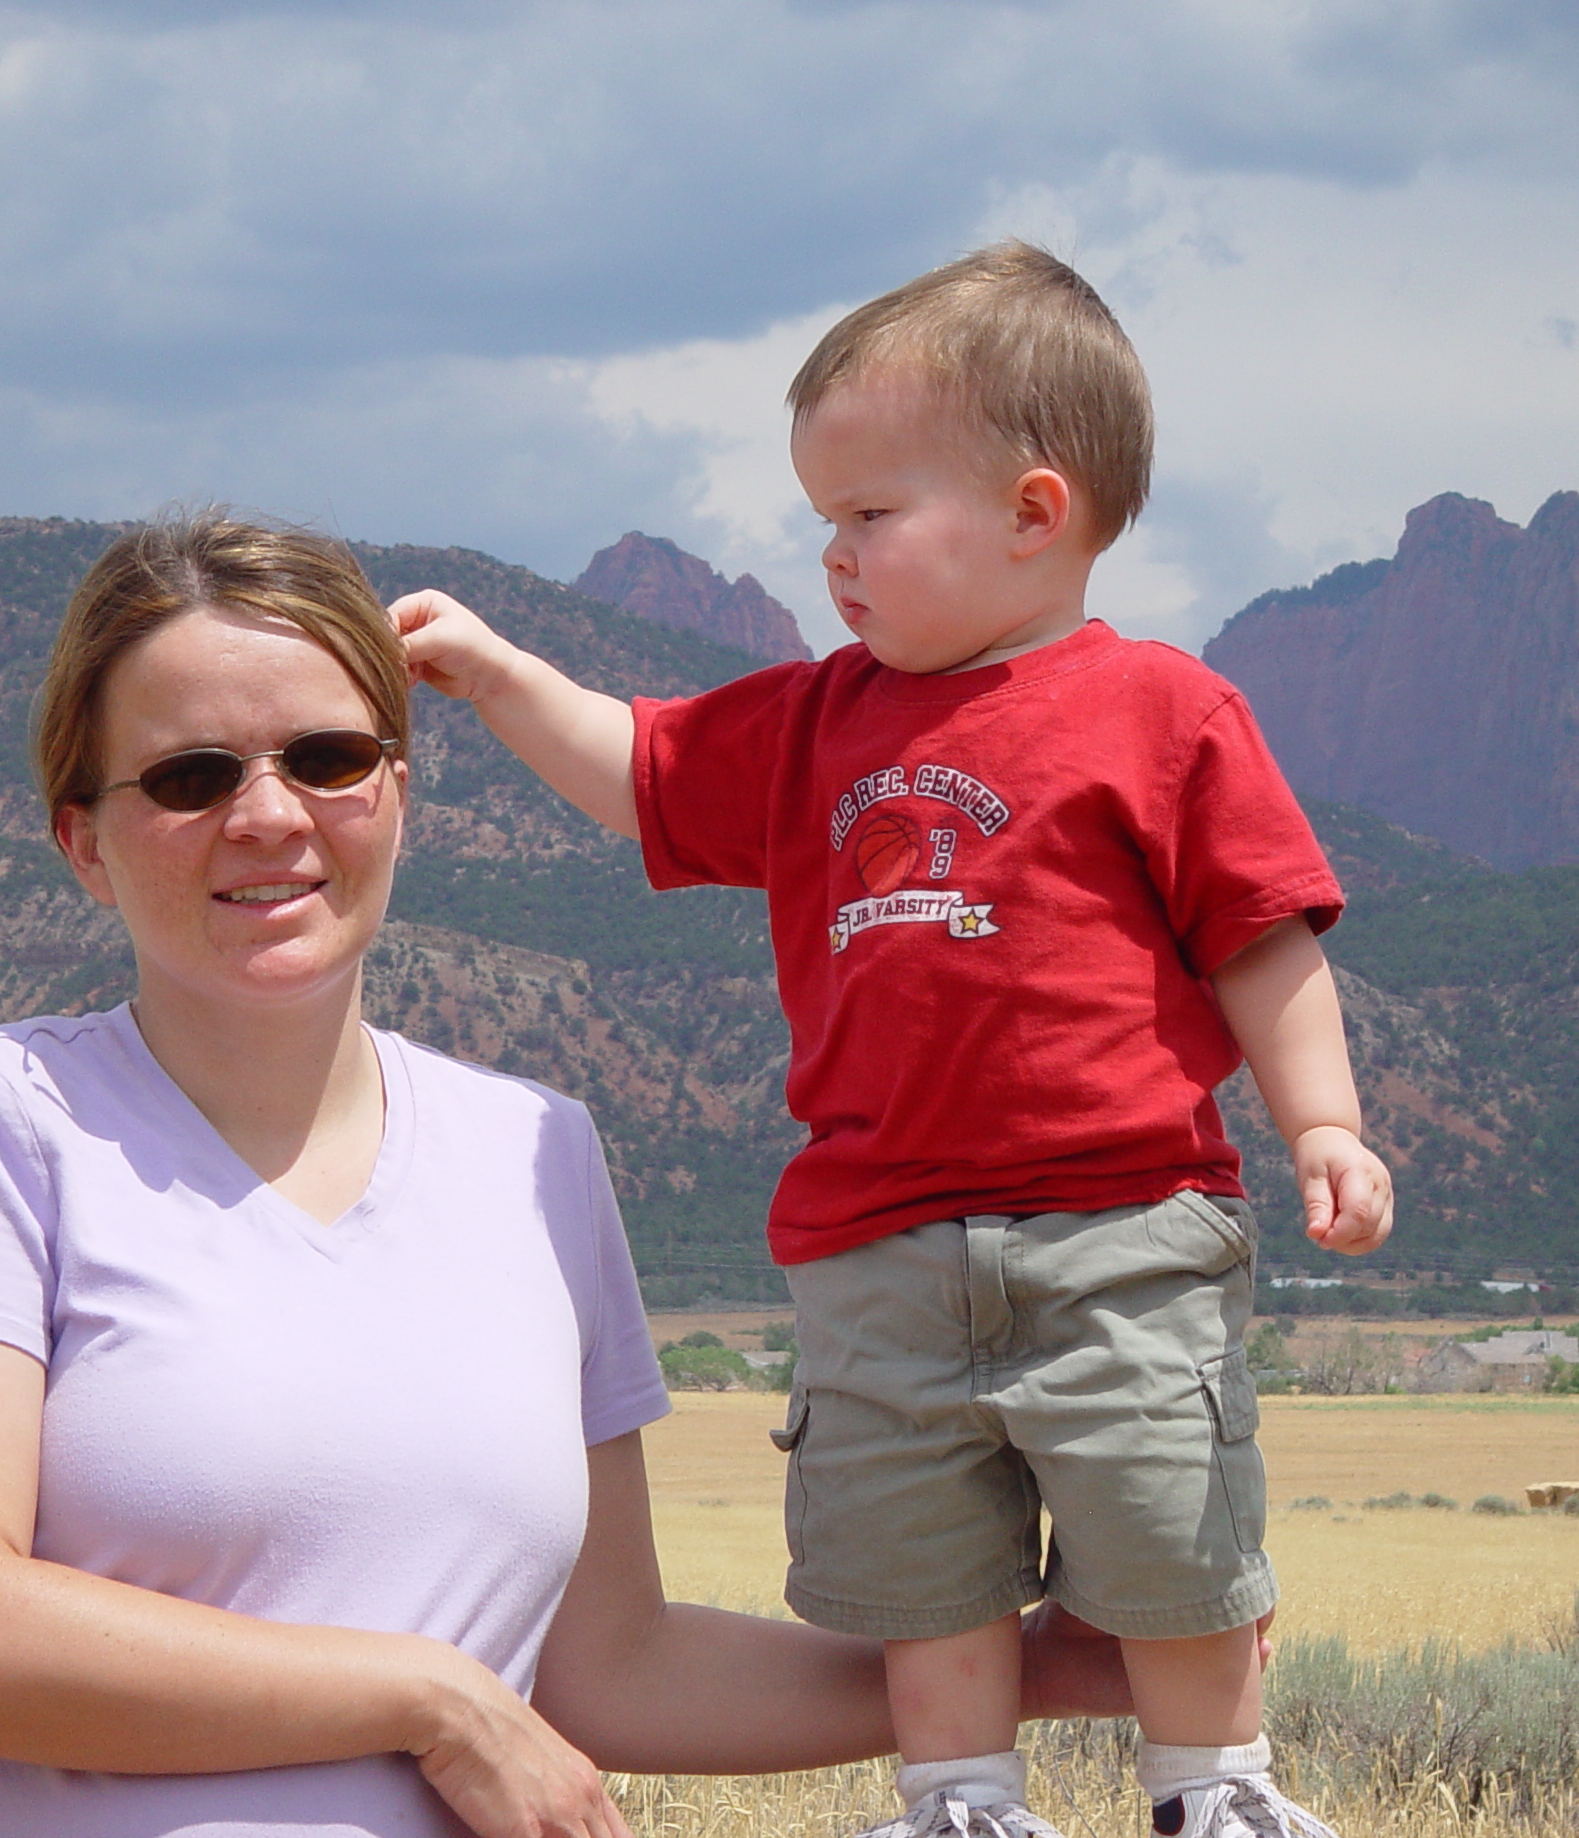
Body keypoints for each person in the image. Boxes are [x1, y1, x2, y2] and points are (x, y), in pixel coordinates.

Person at [0, 511, 1143, 1838]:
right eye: (190, 777)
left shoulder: (537, 1152)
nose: (268, 816)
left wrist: (1053, 1667)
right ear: (83, 841)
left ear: (397, 793)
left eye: (325, 757)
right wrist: (438, 1702)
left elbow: (616, 1671)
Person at [394, 242, 1394, 1838]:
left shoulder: (1164, 712)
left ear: (1033, 512)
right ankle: (959, 1799)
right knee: (922, 1555)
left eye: (869, 516)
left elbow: (1261, 940)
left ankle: (1215, 1789)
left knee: (1170, 1520)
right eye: (823, 524)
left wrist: (1323, 1125)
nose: (833, 559)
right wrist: (506, 677)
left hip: (1123, 1221)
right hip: (874, 1242)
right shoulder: (809, 720)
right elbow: (638, 771)